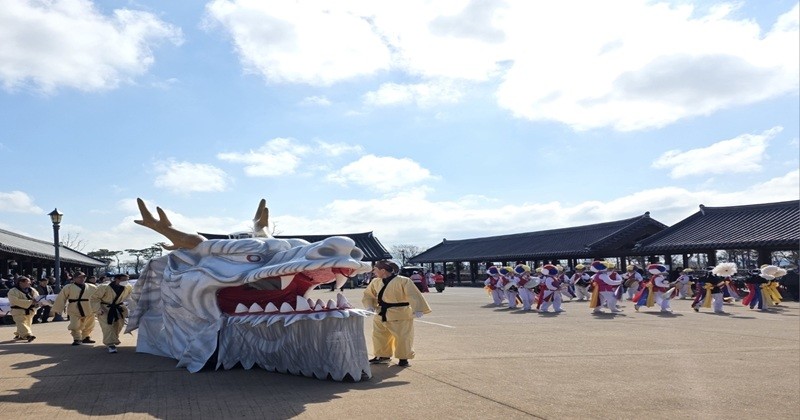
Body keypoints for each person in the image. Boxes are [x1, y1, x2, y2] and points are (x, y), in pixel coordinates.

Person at [362, 260, 431, 367]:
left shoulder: (404, 281)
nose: (374, 272)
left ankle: (403, 358)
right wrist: (370, 306)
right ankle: (382, 355)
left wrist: (418, 309)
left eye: (375, 269)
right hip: (381, 313)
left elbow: (413, 295)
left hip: (400, 313)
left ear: (383, 270)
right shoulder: (375, 281)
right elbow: (368, 295)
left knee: (403, 337)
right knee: (379, 336)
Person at [90, 273, 133, 353]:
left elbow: (133, 296)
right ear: (117, 279)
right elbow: (94, 298)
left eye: (127, 280)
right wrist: (98, 309)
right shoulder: (104, 287)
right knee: (108, 326)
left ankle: (113, 339)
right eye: (124, 280)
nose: (126, 281)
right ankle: (110, 344)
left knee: (118, 325)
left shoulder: (128, 287)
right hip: (105, 308)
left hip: (118, 308)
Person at [52, 271, 97, 345]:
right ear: (74, 278)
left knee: (89, 323)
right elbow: (61, 298)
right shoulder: (68, 287)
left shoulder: (92, 287)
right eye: (80, 277)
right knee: (74, 325)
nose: (82, 279)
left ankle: (86, 337)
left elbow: (98, 297)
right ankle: (77, 338)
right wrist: (58, 309)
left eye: (83, 277)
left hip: (88, 307)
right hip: (74, 308)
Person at [8, 276, 39, 342]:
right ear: (21, 283)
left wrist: (37, 302)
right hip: (18, 311)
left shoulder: (32, 290)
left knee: (27, 324)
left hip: (30, 311)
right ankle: (28, 335)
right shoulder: (13, 291)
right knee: (21, 323)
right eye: (28, 282)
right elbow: (14, 301)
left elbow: (37, 297)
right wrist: (30, 302)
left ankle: (19, 334)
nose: (30, 283)